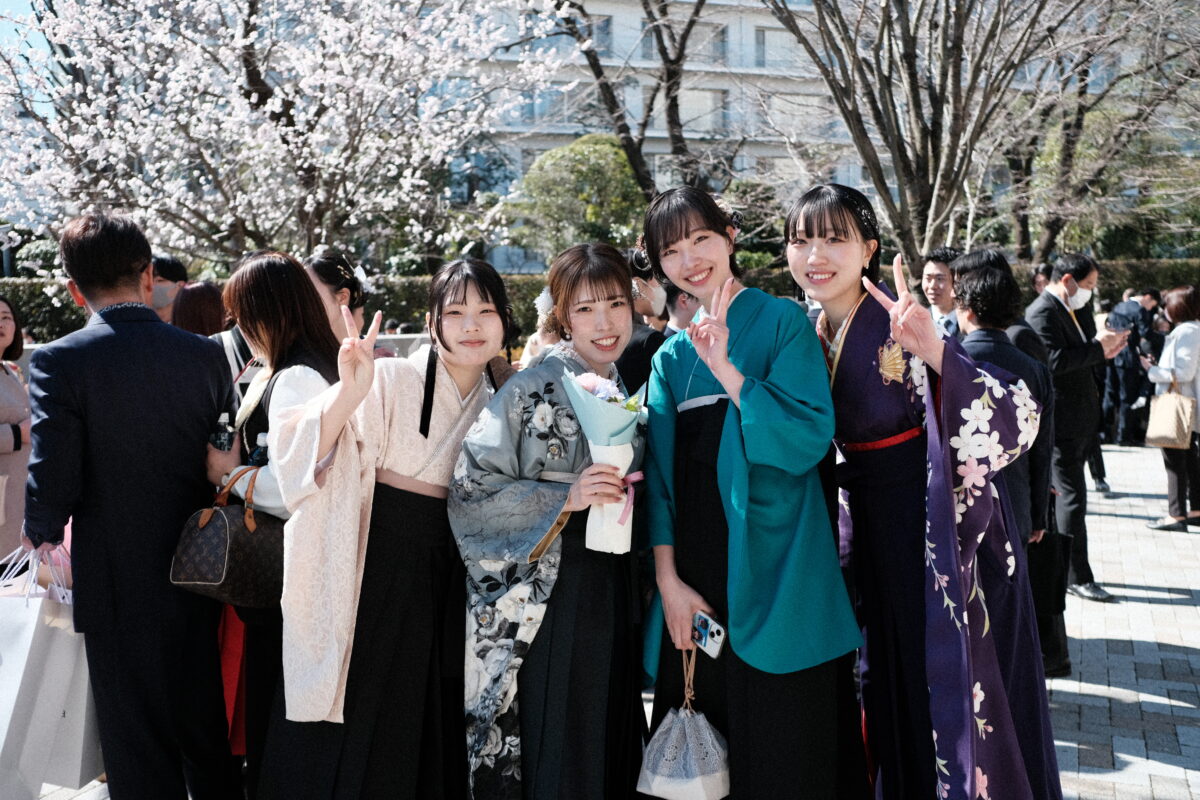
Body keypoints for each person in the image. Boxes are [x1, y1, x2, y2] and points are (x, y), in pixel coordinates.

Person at [787, 185, 1060, 799]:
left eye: (834, 239)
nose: (815, 255)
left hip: (927, 524)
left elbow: (1017, 416)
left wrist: (934, 349)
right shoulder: (808, 330)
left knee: (931, 681)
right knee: (880, 681)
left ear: (869, 249)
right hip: (860, 522)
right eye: (801, 240)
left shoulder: (900, 322)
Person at [246, 258, 509, 799]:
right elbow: (302, 455)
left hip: (454, 573)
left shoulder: (503, 396)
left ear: (506, 321)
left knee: (422, 722)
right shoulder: (390, 377)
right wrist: (350, 391)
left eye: (486, 311)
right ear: (431, 322)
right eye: (455, 312)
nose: (471, 326)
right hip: (375, 567)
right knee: (356, 710)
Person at [641, 187, 863, 797]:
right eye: (671, 251)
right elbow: (660, 481)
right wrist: (668, 582)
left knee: (788, 757)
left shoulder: (783, 322)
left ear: (730, 237)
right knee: (706, 761)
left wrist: (728, 372)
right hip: (698, 580)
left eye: (701, 240)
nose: (690, 260)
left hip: (782, 569)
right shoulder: (669, 357)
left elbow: (807, 438)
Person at [23, 214, 240, 799]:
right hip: (201, 566)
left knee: (135, 743)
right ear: (147, 275)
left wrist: (40, 530)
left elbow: (54, 472)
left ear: (74, 290)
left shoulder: (60, 360)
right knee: (203, 727)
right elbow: (223, 453)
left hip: (115, 575)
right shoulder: (204, 355)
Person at [449, 243, 645, 799]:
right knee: (563, 735)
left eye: (615, 304)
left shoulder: (618, 380)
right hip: (551, 586)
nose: (604, 324)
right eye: (585, 309)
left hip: (610, 577)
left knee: (605, 729)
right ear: (562, 316)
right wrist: (565, 497)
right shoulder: (533, 385)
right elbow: (470, 488)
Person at [202, 251, 342, 798]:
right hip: (301, 570)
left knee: (275, 714)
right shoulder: (313, 363)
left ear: (269, 312)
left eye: (244, 314)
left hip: (287, 570)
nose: (239, 327)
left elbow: (291, 486)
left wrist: (228, 474)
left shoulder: (295, 376)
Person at [1026, 254, 1127, 603]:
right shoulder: (1042, 312)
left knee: (1071, 499)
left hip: (1080, 420)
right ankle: (1077, 575)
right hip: (1062, 423)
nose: (1090, 292)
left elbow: (1080, 353)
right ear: (1068, 280)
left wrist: (1104, 350)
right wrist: (1098, 348)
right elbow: (1053, 361)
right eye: (1088, 285)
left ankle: (1063, 569)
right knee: (1072, 499)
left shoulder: (1070, 308)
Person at [1142, 285, 1200, 531]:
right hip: (1188, 405)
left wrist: (1152, 371)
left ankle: (1176, 515)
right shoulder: (1192, 329)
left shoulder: (1187, 331)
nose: (1165, 308)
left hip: (1178, 406)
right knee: (1189, 458)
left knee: (1174, 460)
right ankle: (1195, 510)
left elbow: (1184, 372)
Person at [1107, 288, 1161, 445]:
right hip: (1128, 357)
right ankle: (1124, 436)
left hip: (1111, 355)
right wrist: (1165, 340)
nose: (1150, 308)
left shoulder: (1119, 306)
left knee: (1110, 394)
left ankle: (1105, 433)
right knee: (1127, 397)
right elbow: (1146, 332)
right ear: (1148, 297)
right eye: (1152, 304)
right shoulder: (1140, 310)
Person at [0, 293, 30, 556]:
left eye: (6, 317)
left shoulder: (9, 370)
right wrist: (18, 433)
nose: (1, 324)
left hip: (14, 502)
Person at [614, 249, 667, 394]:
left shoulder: (609, 334)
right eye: (659, 279)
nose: (665, 286)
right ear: (638, 284)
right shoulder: (649, 340)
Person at [921, 245, 962, 338]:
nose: (932, 286)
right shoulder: (916, 323)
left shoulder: (974, 324)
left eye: (940, 279)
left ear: (957, 280)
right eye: (928, 278)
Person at [152, 254, 189, 323]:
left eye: (160, 280)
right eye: (148, 280)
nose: (151, 285)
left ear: (180, 286)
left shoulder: (189, 324)